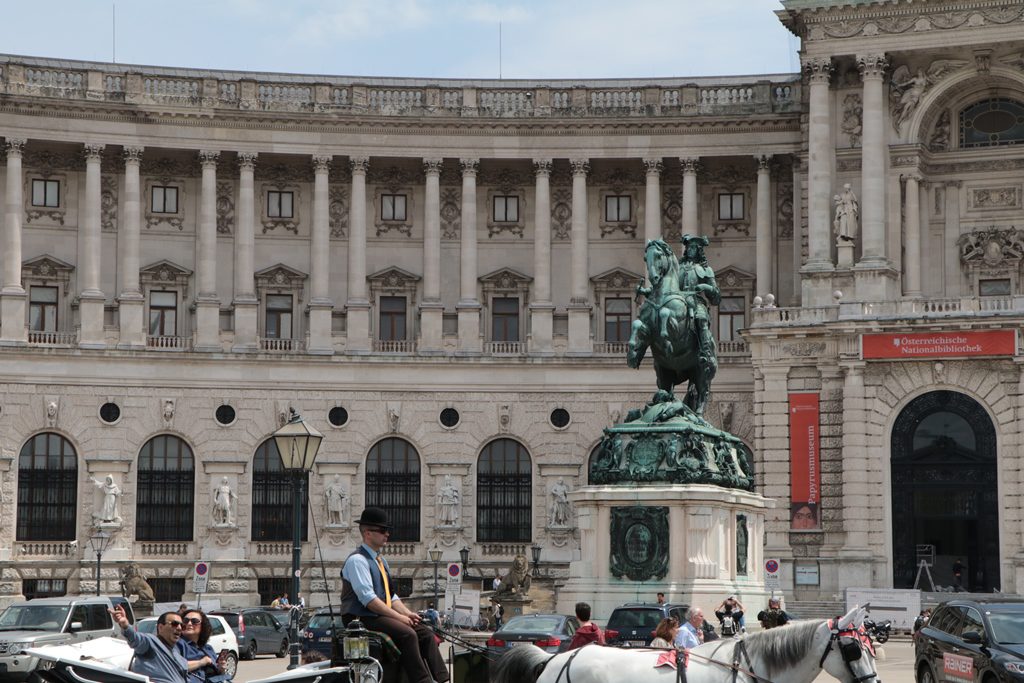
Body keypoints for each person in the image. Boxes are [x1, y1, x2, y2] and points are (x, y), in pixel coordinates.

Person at [341, 507, 449, 683]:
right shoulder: (357, 561)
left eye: (387, 531)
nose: (387, 534)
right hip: (360, 617)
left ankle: (443, 679)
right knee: (408, 634)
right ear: (368, 533)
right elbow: (368, 600)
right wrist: (399, 617)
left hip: (378, 614)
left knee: (427, 634)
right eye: (383, 531)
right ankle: (422, 681)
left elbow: (390, 596)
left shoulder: (380, 561)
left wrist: (408, 614)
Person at [109, 605, 188, 683]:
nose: (179, 628)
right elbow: (135, 639)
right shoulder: (151, 642)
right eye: (174, 624)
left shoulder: (177, 652)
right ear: (160, 627)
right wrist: (125, 625)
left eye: (182, 625)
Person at [178, 609, 229, 683]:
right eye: (185, 620)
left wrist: (221, 669)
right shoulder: (178, 644)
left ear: (203, 626)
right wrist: (201, 662)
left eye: (194, 621)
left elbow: (218, 674)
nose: (189, 623)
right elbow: (176, 666)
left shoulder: (208, 648)